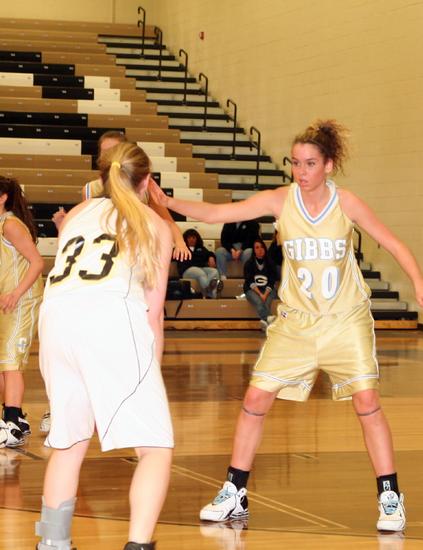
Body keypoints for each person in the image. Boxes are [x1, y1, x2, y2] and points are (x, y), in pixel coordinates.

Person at [150, 119, 423, 532]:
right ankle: (234, 491)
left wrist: (418, 282)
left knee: (367, 402)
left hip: (344, 320)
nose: (301, 171)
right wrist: (168, 201)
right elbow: (218, 212)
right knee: (255, 399)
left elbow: (394, 243)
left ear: (328, 165)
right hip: (296, 322)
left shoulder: (346, 203)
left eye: (310, 163)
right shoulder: (281, 200)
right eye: (296, 163)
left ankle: (390, 495)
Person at [36, 142, 174, 550]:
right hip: (109, 318)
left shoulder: (78, 213)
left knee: (69, 442)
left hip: (56, 320)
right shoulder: (154, 224)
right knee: (155, 447)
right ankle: (138, 544)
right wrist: (152, 369)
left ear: (102, 178)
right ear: (146, 182)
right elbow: (154, 313)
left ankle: (53, 544)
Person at [52, 130, 190, 261]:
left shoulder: (144, 186)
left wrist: (180, 242)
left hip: (137, 249)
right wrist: (66, 224)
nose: (110, 156)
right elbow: (88, 228)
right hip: (106, 252)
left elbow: (167, 221)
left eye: (114, 150)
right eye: (105, 152)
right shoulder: (90, 189)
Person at [0, 177, 44, 448]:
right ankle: (14, 418)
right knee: (3, 361)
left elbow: (37, 262)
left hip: (22, 299)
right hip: (6, 299)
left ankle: (12, 421)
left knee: (11, 361)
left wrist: (16, 293)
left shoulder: (11, 225)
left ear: (3, 197)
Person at [243, 238, 278, 329]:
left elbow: (272, 281)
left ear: (265, 248)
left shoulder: (270, 263)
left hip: (268, 289)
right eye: (257, 247)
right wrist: (260, 294)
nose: (260, 249)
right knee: (259, 302)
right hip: (252, 290)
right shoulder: (249, 264)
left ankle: (264, 324)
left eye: (262, 247)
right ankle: (270, 320)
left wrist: (265, 294)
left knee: (266, 303)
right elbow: (249, 281)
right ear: (254, 250)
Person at [177, 228, 222, 298]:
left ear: (197, 239)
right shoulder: (181, 248)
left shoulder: (201, 248)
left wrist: (211, 257)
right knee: (199, 272)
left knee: (214, 271)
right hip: (187, 270)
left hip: (201, 269)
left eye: (193, 238)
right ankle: (209, 292)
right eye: (189, 238)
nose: (191, 239)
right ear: (185, 239)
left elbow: (209, 253)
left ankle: (211, 295)